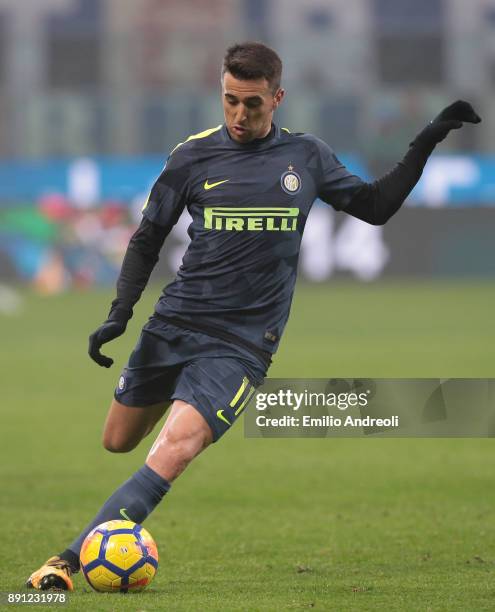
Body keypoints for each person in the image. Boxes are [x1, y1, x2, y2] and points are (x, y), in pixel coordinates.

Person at [27, 41, 481, 590]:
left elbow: (375, 207)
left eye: (253, 104)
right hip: (175, 323)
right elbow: (148, 238)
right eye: (230, 101)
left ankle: (66, 563)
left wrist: (425, 141)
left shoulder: (307, 157)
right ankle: (177, 400)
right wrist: (120, 313)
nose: (240, 115)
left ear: (277, 98)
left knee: (175, 448)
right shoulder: (192, 156)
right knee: (118, 441)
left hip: (241, 343)